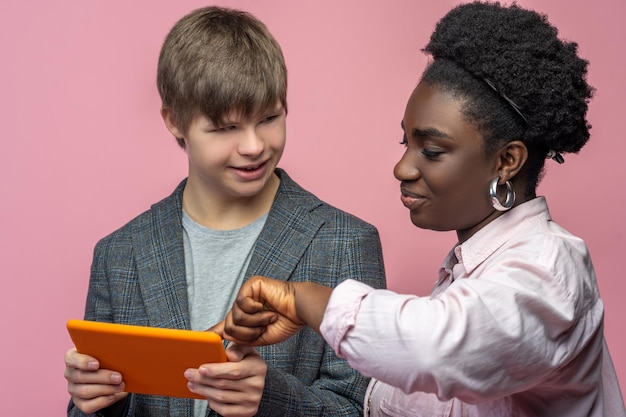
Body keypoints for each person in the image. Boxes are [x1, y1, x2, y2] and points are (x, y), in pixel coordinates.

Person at [219, 2, 626, 416]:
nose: (402, 167)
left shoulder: (550, 269)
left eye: (431, 151)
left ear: (507, 161)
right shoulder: (469, 277)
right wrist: (266, 389)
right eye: (405, 143)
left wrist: (304, 300)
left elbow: (439, 349)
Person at [63, 6, 386, 417]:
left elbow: (365, 409)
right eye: (226, 127)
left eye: (269, 118)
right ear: (174, 120)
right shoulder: (118, 254)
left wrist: (270, 397)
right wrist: (95, 400)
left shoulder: (346, 243)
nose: (253, 146)